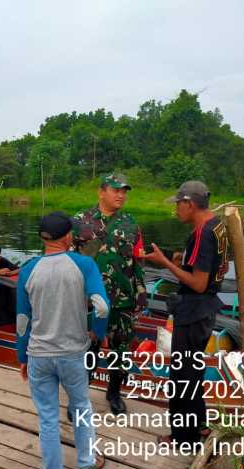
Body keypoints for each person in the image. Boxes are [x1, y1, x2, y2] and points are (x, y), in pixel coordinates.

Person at [17, 211, 109, 469]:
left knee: (47, 417)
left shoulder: (28, 270)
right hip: (73, 354)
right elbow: (102, 307)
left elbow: (22, 321)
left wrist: (22, 356)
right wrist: (98, 333)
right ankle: (86, 466)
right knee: (81, 408)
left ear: (43, 238)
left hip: (39, 355)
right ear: (68, 236)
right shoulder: (84, 265)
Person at [143, 181, 229, 444]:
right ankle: (199, 426)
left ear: (190, 204)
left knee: (181, 376)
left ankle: (184, 437)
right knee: (193, 371)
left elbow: (198, 283)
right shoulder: (218, 226)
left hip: (193, 311)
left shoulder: (203, 234)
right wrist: (183, 260)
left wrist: (166, 263)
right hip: (205, 310)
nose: (175, 210)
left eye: (178, 205)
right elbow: (216, 268)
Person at [72, 173, 146, 415]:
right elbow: (67, 260)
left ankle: (114, 393)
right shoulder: (80, 221)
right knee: (86, 348)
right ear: (101, 191)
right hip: (88, 299)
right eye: (116, 190)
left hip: (122, 300)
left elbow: (137, 262)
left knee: (121, 349)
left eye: (124, 191)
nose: (121, 195)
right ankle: (79, 398)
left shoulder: (131, 224)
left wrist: (141, 295)